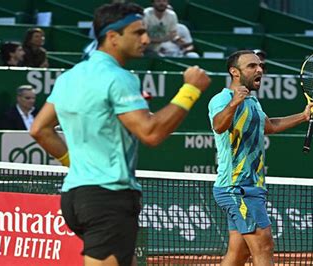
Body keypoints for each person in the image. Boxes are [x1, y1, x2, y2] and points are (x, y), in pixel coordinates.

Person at [30, 2, 211, 266]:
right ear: (113, 37)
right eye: (138, 33)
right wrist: (190, 90)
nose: (146, 39)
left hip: (75, 197)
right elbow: (150, 133)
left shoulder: (71, 76)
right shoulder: (119, 77)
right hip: (108, 198)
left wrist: (76, 163)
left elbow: (39, 129)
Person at [208, 50, 313, 265]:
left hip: (252, 186)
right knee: (264, 246)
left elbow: (268, 126)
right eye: (252, 66)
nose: (259, 69)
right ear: (235, 72)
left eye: (260, 65)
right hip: (237, 187)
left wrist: (303, 116)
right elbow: (218, 125)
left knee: (238, 254)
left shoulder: (253, 103)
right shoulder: (222, 99)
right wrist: (234, 103)